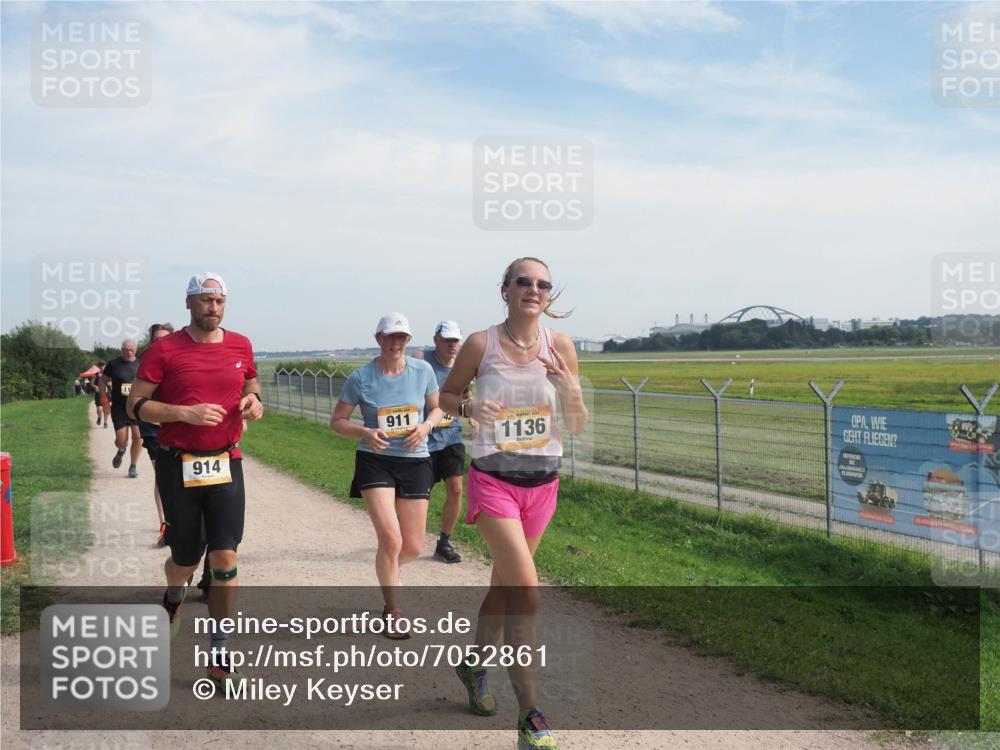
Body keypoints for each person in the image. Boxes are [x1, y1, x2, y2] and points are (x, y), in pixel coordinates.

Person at [439, 257, 588, 750]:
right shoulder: (481, 344)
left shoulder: (560, 346)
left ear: (549, 295)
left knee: (503, 589)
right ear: (505, 290)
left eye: (543, 283)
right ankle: (530, 715)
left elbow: (577, 423)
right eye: (523, 281)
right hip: (494, 480)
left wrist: (570, 391)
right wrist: (468, 406)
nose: (533, 288)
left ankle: (473, 666)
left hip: (542, 484)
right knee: (526, 590)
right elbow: (445, 397)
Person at [127, 272, 263, 687]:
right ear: (189, 303)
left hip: (226, 461)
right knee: (185, 560)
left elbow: (251, 380)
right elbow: (135, 405)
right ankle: (174, 594)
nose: (213, 308)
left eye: (219, 301)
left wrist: (255, 399)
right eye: (205, 300)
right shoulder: (164, 349)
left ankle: (219, 654)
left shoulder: (240, 344)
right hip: (178, 462)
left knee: (225, 559)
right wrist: (183, 413)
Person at [330, 312, 443, 637]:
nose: (396, 342)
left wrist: (426, 426)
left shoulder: (423, 371)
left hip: (415, 461)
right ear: (378, 338)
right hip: (375, 460)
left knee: (413, 547)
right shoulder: (361, 377)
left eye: (402, 337)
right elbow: (337, 422)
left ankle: (387, 570)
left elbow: (437, 409)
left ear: (408, 340)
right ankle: (393, 610)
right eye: (390, 336)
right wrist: (365, 432)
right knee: (391, 540)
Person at [423, 320, 477, 564]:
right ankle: (405, 531)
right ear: (436, 340)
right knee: (419, 492)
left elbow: (465, 393)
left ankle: (444, 542)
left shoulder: (462, 366)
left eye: (455, 341)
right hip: (423, 436)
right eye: (447, 340)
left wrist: (472, 415)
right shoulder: (422, 361)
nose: (452, 345)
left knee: (456, 488)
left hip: (451, 436)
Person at [137, 323, 174, 546]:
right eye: (157, 339)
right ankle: (165, 524)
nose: (161, 343)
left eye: (166, 339)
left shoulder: (182, 359)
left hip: (178, 425)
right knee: (162, 474)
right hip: (153, 427)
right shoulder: (146, 363)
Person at [101, 341, 142, 478]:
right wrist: (104, 401)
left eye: (131, 350)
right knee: (121, 441)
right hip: (119, 407)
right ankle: (121, 450)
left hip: (136, 407)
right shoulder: (113, 364)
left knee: (138, 437)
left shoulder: (141, 364)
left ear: (136, 350)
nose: (129, 352)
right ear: (121, 350)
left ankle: (133, 466)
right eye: (126, 350)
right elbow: (102, 381)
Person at [93, 362, 110, 428]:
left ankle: (105, 423)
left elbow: (111, 381)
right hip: (98, 394)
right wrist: (95, 386)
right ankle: (99, 417)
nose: (102, 367)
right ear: (98, 367)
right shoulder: (96, 375)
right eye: (100, 366)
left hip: (105, 394)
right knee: (99, 409)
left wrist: (109, 384)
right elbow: (91, 383)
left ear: (105, 366)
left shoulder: (108, 374)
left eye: (103, 366)